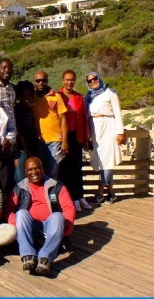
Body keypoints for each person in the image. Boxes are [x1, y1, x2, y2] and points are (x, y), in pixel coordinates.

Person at [5, 157, 75, 276]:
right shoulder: (20, 187)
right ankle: (28, 256)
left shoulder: (56, 186)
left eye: (37, 168)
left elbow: (69, 208)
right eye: (30, 169)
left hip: (49, 226)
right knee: (21, 213)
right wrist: (15, 224)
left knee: (58, 216)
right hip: (30, 227)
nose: (34, 172)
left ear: (42, 169)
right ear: (25, 171)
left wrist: (66, 229)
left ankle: (45, 258)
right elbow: (8, 209)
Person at [84, 72, 126, 205]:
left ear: (99, 78)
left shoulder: (110, 93)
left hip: (108, 128)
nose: (93, 82)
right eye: (89, 81)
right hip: (95, 131)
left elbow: (118, 113)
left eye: (95, 79)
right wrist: (87, 136)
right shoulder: (88, 97)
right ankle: (111, 194)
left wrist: (120, 132)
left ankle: (100, 192)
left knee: (107, 161)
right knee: (101, 161)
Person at [57, 70, 92, 212]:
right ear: (62, 80)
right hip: (64, 137)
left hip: (76, 136)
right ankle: (70, 198)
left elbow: (83, 118)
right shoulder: (57, 96)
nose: (69, 82)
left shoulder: (78, 97)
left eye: (72, 80)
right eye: (67, 80)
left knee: (77, 167)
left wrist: (85, 138)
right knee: (65, 168)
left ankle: (80, 196)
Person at [32, 70, 68, 179]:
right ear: (34, 82)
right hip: (38, 140)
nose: (41, 83)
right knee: (39, 172)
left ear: (47, 81)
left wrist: (65, 141)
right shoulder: (31, 97)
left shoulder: (56, 96)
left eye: (43, 80)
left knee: (52, 171)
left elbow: (64, 120)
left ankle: (52, 195)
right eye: (38, 81)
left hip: (55, 140)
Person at [13, 80, 39, 184]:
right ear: (19, 96)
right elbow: (20, 133)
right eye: (24, 96)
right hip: (22, 149)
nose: (27, 98)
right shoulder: (18, 110)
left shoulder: (30, 110)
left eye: (29, 95)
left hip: (32, 147)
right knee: (20, 177)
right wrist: (26, 151)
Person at [0, 59, 16, 126]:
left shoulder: (12, 88)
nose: (7, 70)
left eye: (10, 68)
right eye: (4, 68)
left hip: (11, 132)